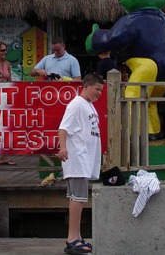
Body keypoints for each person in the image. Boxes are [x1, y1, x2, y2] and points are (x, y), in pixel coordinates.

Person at [58, 73, 103, 255]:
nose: (99, 93)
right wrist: (62, 148)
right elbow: (63, 127)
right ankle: (72, 238)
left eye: (101, 90)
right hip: (77, 159)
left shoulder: (89, 105)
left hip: (85, 159)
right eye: (96, 89)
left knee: (79, 198)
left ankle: (77, 236)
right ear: (86, 86)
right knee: (77, 198)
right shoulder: (76, 104)